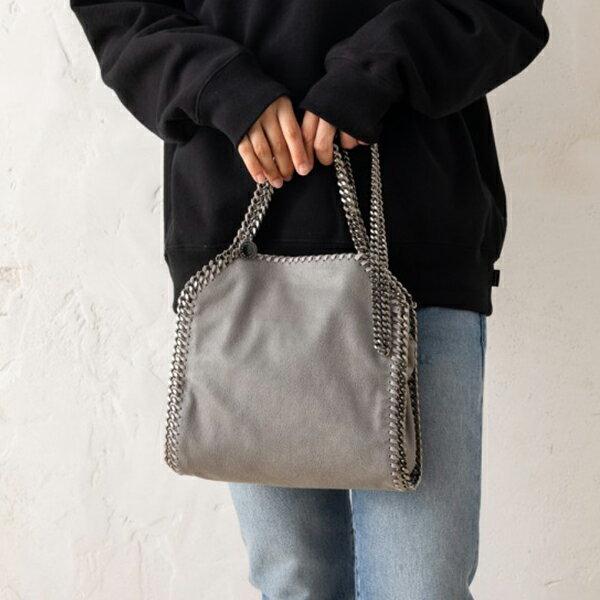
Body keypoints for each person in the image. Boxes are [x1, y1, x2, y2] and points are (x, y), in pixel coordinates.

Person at [71, 1, 549, 597]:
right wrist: (219, 84)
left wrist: (377, 70)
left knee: (419, 586)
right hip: (240, 260)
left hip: (414, 246)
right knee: (295, 583)